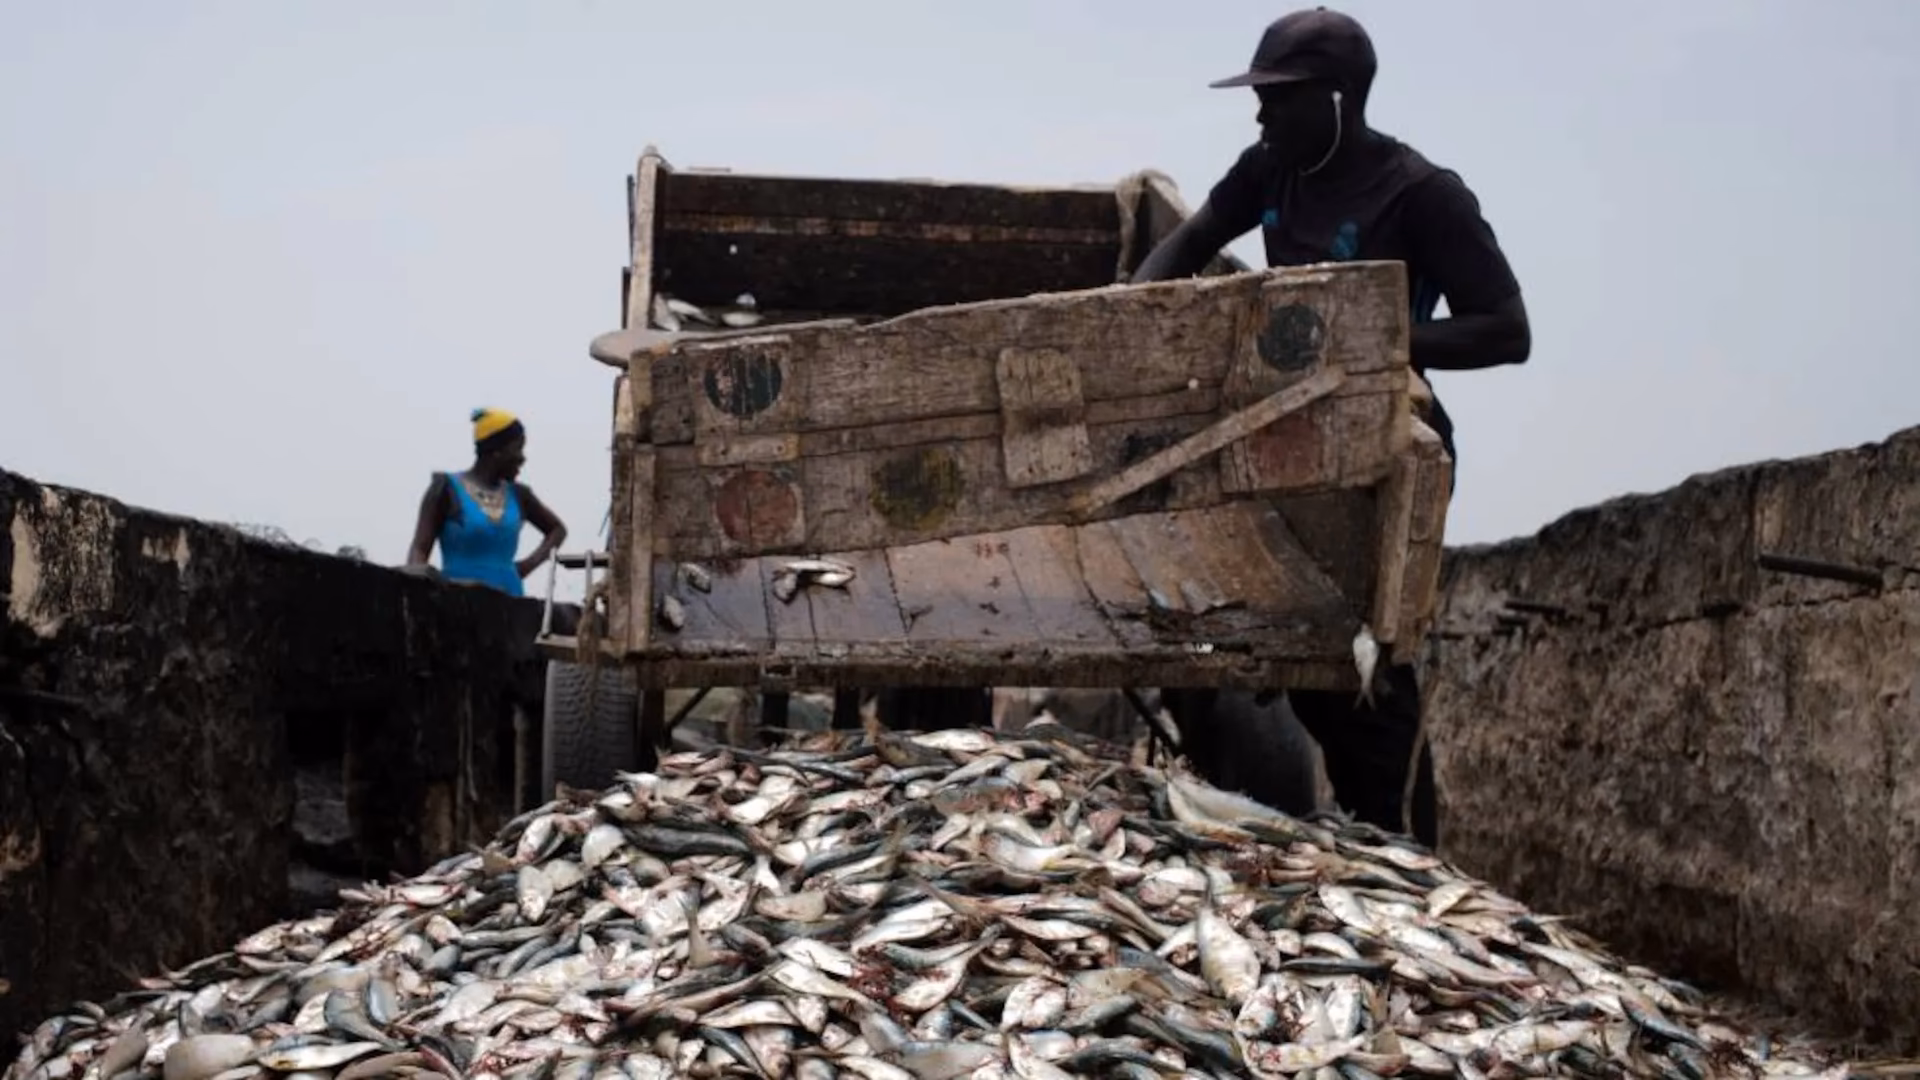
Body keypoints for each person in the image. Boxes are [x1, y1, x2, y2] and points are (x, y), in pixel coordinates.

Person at [1134, 7, 1531, 850]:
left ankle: (1402, 853)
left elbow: (1506, 330)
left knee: (1366, 673)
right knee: (1276, 642)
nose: (1261, 113)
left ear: (1340, 101)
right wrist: (1128, 319)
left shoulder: (1422, 194)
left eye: (1279, 97)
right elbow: (1191, 241)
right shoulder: (1270, 168)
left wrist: (1360, 338)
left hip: (1380, 456)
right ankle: (1306, 822)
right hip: (1283, 445)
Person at [405, 407, 568, 597]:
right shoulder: (446, 489)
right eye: (517, 449)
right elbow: (419, 548)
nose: (522, 458)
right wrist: (416, 586)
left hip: (509, 601)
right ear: (496, 452)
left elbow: (557, 530)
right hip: (456, 601)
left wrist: (525, 567)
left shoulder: (519, 495)